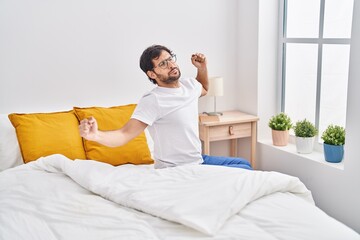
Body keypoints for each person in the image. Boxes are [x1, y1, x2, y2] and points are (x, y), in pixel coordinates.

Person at [79, 44, 251, 170]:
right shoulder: (153, 100)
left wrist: (202, 68)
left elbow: (204, 88)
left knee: (244, 164)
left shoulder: (189, 86)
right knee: (242, 171)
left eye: (170, 59)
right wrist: (95, 135)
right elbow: (124, 135)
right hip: (175, 169)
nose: (171, 65)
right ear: (152, 74)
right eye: (162, 64)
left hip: (198, 160)